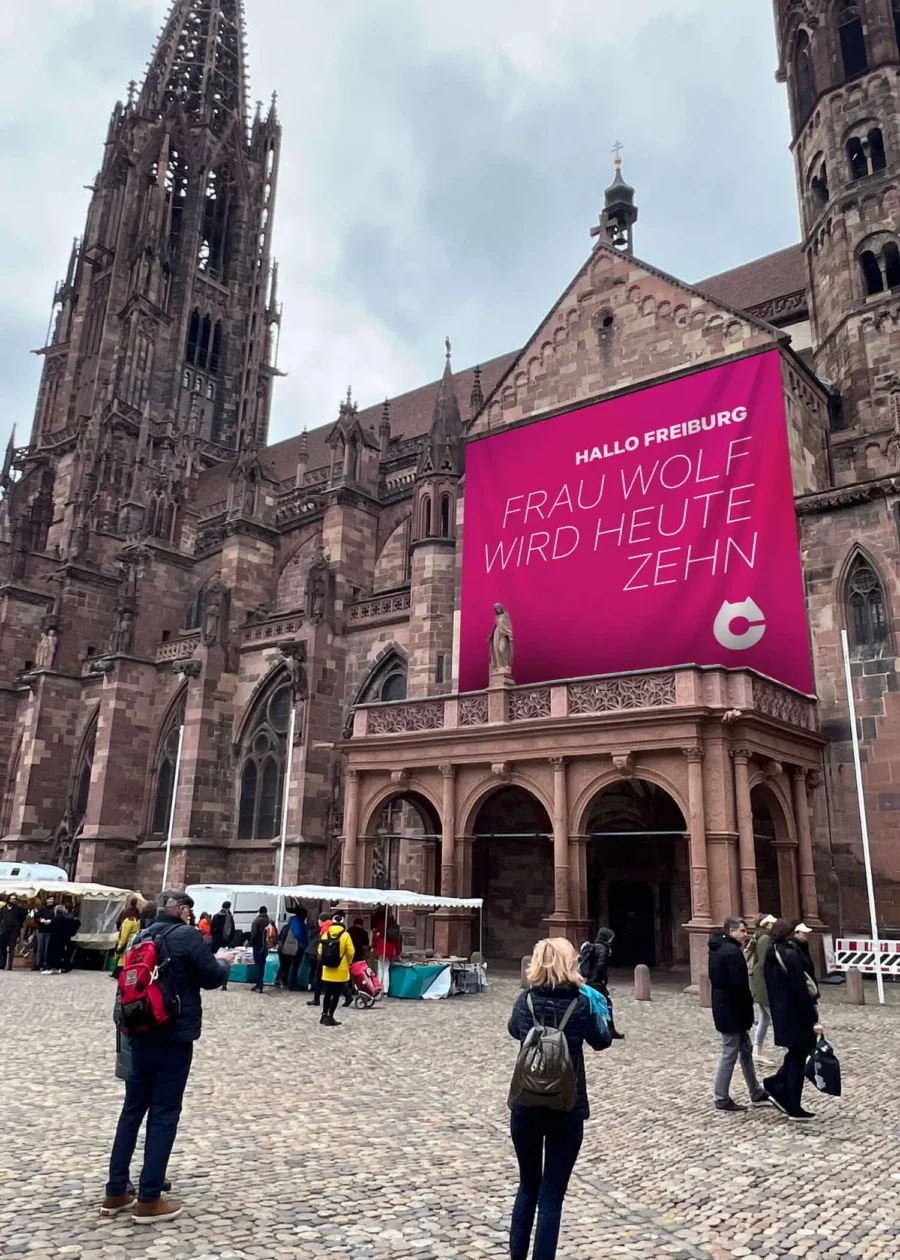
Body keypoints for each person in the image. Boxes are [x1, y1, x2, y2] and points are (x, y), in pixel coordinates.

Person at [101, 889, 229, 1223]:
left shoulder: (140, 936)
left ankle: (116, 1191)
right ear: (183, 910)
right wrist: (224, 964)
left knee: (132, 1110)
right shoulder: (187, 935)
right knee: (164, 1113)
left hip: (138, 1031)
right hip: (172, 1035)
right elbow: (212, 978)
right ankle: (149, 1198)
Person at [507, 937, 610, 1260]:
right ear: (571, 964)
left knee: (527, 1187)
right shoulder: (580, 1004)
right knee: (551, 1197)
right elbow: (603, 1040)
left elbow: (514, 1031)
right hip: (567, 1107)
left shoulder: (525, 1002)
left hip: (525, 1105)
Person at [763, 918, 824, 1120]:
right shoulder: (790, 954)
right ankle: (793, 1104)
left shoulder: (772, 952)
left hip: (782, 1013)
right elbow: (801, 990)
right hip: (796, 1014)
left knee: (795, 1054)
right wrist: (813, 1019)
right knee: (798, 1058)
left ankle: (776, 1084)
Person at [708, 915, 770, 1112]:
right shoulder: (731, 952)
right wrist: (747, 1008)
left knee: (745, 1050)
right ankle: (721, 1097)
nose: (746, 934)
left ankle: (755, 1090)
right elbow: (738, 985)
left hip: (726, 1007)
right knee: (730, 1052)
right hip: (732, 1010)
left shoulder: (719, 948)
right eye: (742, 931)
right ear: (731, 931)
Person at [577, 926, 624, 1040]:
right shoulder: (603, 948)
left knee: (589, 1004)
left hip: (590, 981)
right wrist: (601, 978)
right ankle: (610, 1030)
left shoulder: (593, 947)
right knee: (606, 1004)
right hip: (597, 982)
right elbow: (600, 965)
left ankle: (585, 1029)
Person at [744, 913, 776, 1068]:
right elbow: (765, 963)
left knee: (764, 1019)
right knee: (776, 1017)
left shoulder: (759, 936)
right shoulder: (764, 939)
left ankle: (756, 1051)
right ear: (766, 924)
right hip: (762, 983)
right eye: (771, 923)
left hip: (759, 981)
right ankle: (797, 1050)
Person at [317, 913, 354, 1027]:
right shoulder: (345, 935)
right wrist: (348, 962)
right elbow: (351, 951)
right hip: (340, 969)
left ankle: (323, 1014)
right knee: (336, 994)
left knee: (328, 993)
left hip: (327, 969)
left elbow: (319, 950)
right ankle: (330, 1016)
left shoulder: (326, 934)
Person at [274, 907, 308, 991]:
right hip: (296, 947)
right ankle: (292, 984)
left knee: (286, 965)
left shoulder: (290, 922)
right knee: (294, 966)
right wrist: (303, 942)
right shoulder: (298, 923)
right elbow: (298, 933)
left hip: (286, 948)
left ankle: (281, 981)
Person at [306, 911, 332, 1007]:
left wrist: (319, 954)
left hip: (323, 956)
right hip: (330, 956)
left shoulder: (324, 929)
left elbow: (321, 944)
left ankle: (317, 999)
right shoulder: (331, 928)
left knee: (319, 977)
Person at [45, 903, 80, 973]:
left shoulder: (61, 918)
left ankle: (54, 967)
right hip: (64, 938)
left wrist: (49, 923)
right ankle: (60, 967)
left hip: (58, 938)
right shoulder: (67, 917)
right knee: (62, 953)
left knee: (55, 953)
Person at [112, 904, 141, 979]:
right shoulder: (137, 920)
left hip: (128, 941)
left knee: (123, 958)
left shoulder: (128, 921)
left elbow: (124, 933)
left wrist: (120, 944)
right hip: (134, 941)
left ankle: (118, 974)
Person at [0, 892, 27, 970]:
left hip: (14, 930)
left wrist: (18, 925)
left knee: (11, 947)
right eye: (12, 899)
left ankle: (10, 965)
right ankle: (2, 963)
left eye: (14, 899)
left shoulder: (18, 909)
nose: (13, 900)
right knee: (2, 947)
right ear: (8, 899)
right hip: (4, 929)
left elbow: (23, 915)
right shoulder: (3, 909)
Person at [793, 922, 820, 997]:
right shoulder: (795, 946)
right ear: (796, 933)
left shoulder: (803, 944)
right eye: (803, 933)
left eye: (806, 933)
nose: (806, 935)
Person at [249, 906, 271, 993]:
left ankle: (259, 985)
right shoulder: (269, 921)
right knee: (262, 965)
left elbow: (253, 934)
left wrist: (251, 943)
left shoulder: (256, 921)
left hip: (258, 945)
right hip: (265, 946)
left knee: (258, 965)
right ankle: (260, 983)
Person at [32, 896, 56, 972]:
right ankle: (39, 964)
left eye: (52, 899)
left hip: (50, 930)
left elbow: (56, 919)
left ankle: (46, 963)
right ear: (46, 900)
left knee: (47, 948)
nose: (51, 901)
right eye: (50, 899)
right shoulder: (42, 908)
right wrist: (40, 920)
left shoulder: (54, 909)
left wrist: (51, 921)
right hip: (41, 930)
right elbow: (36, 918)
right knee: (40, 948)